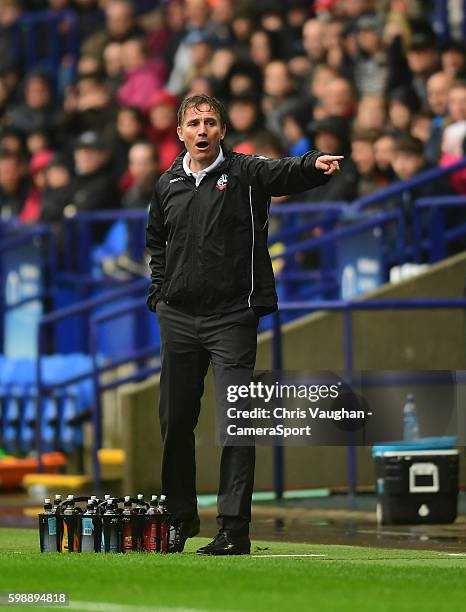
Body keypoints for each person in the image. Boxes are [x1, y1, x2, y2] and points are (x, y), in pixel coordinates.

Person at [146, 94, 342, 555]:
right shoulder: (166, 183)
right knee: (175, 422)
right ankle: (179, 520)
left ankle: (233, 530)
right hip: (178, 317)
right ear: (179, 133)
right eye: (193, 123)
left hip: (233, 316)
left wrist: (314, 163)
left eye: (210, 122)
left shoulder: (245, 173)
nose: (202, 130)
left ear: (222, 132)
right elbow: (156, 240)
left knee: (237, 421)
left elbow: (285, 171)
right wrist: (159, 293)